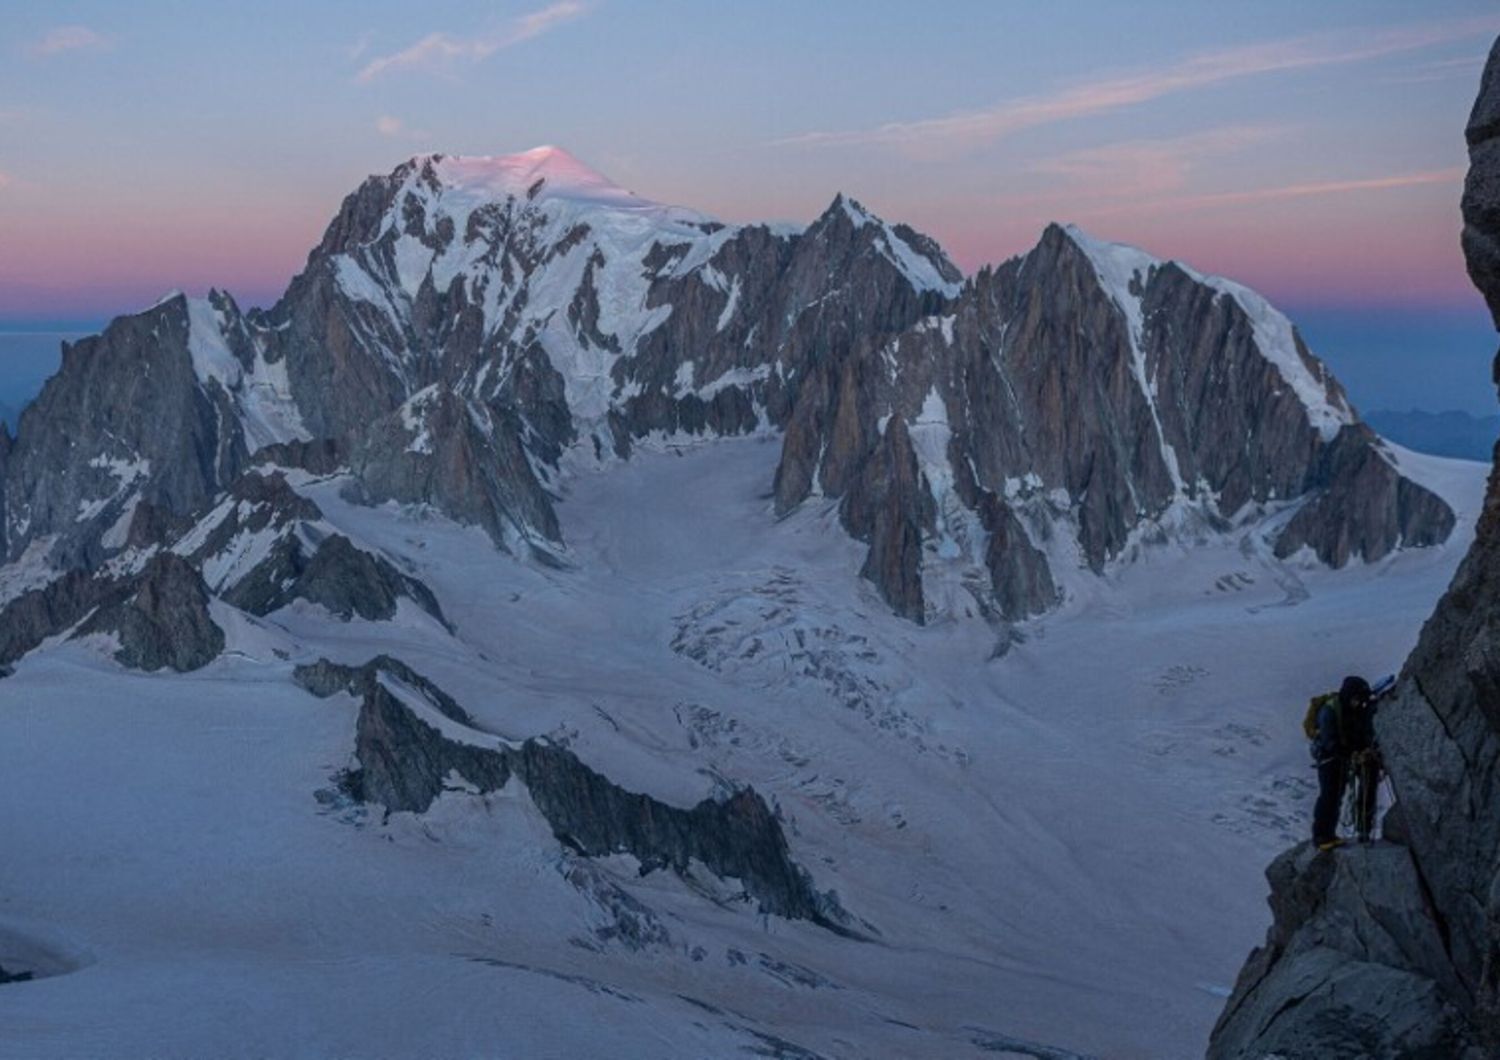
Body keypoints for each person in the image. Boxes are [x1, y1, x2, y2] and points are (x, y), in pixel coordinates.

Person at [1311, 675, 1376, 851]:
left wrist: (1360, 751)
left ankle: (1333, 834)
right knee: (1330, 796)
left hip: (1342, 757)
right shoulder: (1329, 711)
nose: (1359, 703)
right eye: (1357, 699)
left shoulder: (1351, 710)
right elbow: (1330, 742)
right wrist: (1353, 753)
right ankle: (1321, 835)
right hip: (1329, 758)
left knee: (1336, 795)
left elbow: (1356, 735)